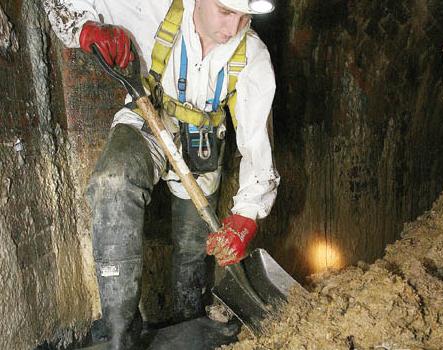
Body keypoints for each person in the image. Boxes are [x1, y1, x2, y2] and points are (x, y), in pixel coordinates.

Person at [44, 0, 279, 348]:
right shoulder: (151, 8)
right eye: (226, 12)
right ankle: (119, 332)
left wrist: (246, 215)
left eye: (245, 17)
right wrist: (87, 29)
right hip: (149, 117)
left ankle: (191, 323)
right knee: (113, 183)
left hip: (201, 146)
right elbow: (61, 4)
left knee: (192, 249)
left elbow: (257, 143)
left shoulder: (252, 56)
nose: (234, 28)